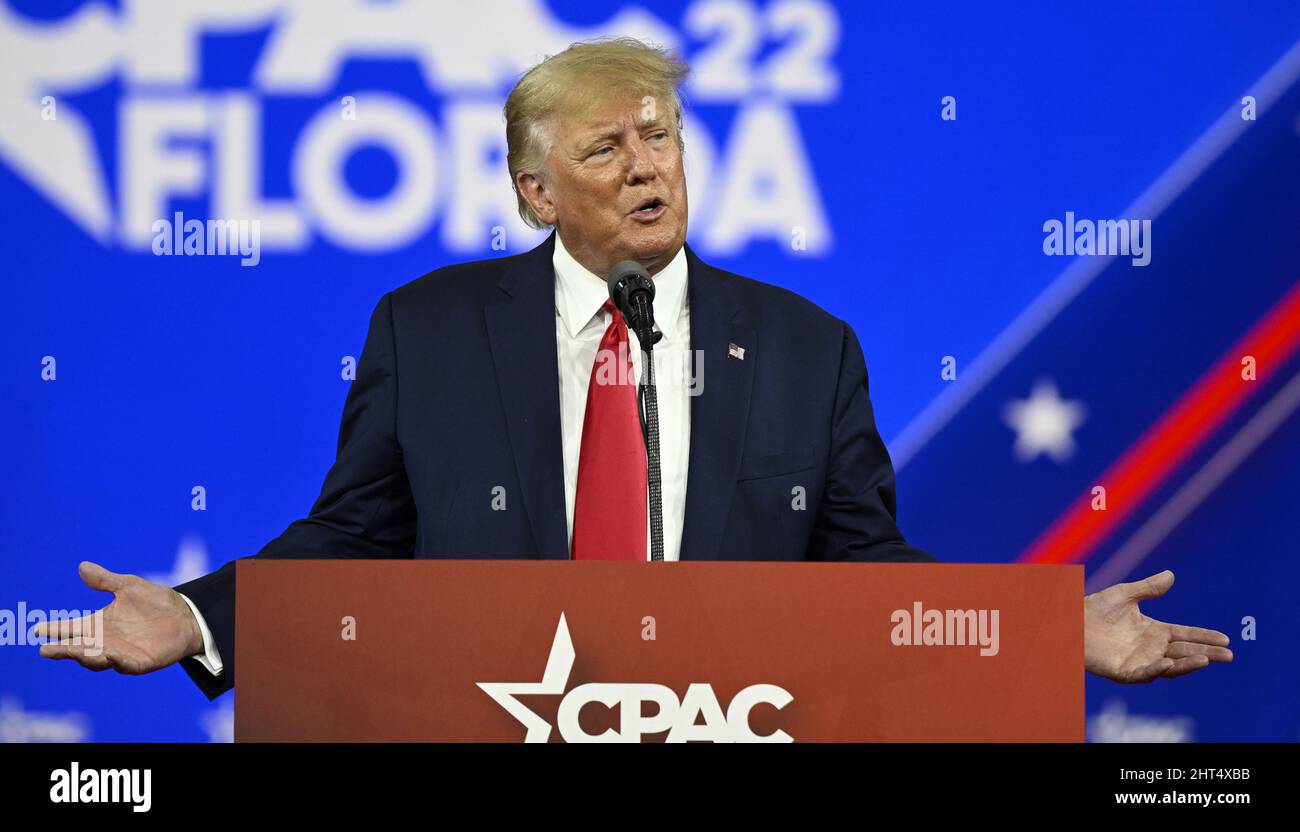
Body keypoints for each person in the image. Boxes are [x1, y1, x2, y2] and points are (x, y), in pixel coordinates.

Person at [36, 38, 1232, 701]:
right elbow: (352, 540)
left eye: (660, 132)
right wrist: (197, 616)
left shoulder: (806, 349)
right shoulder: (431, 332)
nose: (648, 162)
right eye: (608, 146)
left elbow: (863, 575)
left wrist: (1036, 635)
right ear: (536, 192)